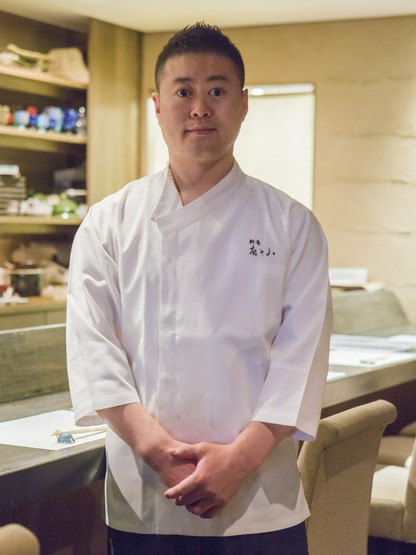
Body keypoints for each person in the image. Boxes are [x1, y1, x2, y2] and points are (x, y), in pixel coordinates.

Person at [66, 22, 332, 555]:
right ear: (157, 106)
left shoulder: (291, 224)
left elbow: (300, 361)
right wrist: (156, 450)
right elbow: (95, 350)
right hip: (148, 495)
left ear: (244, 103)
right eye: (183, 91)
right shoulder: (109, 222)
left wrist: (239, 460)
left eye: (217, 90)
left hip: (259, 496)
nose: (200, 108)